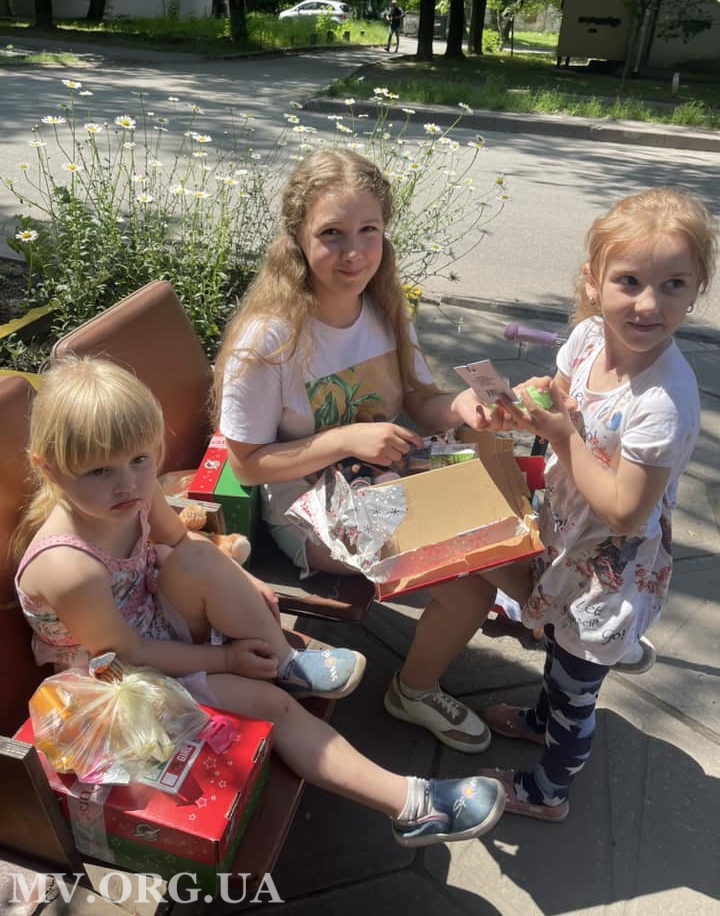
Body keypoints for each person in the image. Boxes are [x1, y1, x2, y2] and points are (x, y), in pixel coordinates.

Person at [14, 355, 507, 848]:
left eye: (140, 460)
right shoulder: (70, 568)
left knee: (200, 559)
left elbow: (182, 542)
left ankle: (286, 662)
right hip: (120, 681)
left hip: (153, 624)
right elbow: (130, 655)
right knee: (275, 707)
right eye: (99, 470)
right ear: (48, 469)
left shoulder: (130, 496)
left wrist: (241, 579)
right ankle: (412, 805)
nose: (127, 483)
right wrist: (227, 660)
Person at [214, 148, 503, 756]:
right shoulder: (268, 340)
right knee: (474, 583)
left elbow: (420, 398)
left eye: (368, 230)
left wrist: (461, 407)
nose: (354, 253)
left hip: (382, 479)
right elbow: (247, 464)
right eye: (332, 234)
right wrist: (344, 439)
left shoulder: (384, 308)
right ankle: (414, 691)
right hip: (306, 513)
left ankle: (539, 605)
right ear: (298, 238)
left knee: (495, 498)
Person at [471, 188, 717, 822]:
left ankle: (550, 789)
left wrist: (561, 436)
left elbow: (625, 513)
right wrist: (535, 401)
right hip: (566, 536)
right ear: (593, 280)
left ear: (696, 291)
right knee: (559, 653)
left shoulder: (663, 401)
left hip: (610, 573)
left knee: (577, 688)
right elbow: (563, 396)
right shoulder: (586, 338)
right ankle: (543, 716)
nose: (648, 304)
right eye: (629, 281)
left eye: (673, 285)